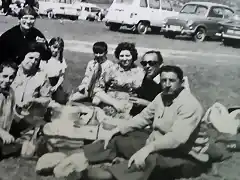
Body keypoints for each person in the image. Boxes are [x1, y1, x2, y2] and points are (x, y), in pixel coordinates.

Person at [76, 65, 210, 180]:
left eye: (172, 80)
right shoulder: (162, 97)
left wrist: (147, 149)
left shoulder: (189, 105)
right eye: (164, 80)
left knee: (148, 160)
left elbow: (176, 139)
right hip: (158, 144)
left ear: (181, 82)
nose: (167, 84)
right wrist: (116, 130)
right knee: (119, 138)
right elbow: (143, 118)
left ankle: (112, 174)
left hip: (184, 154)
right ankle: (79, 155)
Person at [10, 42, 52, 138]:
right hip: (7, 118)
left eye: (37, 60)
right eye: (30, 58)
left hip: (28, 122)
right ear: (23, 56)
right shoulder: (11, 72)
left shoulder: (41, 76)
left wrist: (34, 101)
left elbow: (47, 99)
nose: (33, 62)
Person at [93, 42, 145, 114]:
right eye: (122, 56)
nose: (124, 59)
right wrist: (114, 103)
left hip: (130, 104)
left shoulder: (140, 72)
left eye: (127, 55)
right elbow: (97, 90)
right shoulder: (111, 69)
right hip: (110, 101)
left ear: (133, 56)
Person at [40, 37, 68, 104]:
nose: (56, 50)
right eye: (54, 47)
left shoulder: (61, 60)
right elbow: (41, 74)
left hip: (56, 82)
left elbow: (62, 76)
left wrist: (56, 87)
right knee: (45, 100)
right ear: (49, 46)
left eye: (59, 49)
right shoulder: (44, 58)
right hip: (44, 81)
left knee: (61, 100)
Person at [0, 62, 18, 145]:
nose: (7, 80)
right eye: (4, 76)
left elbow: (10, 113)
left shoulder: (11, 92)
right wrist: (2, 132)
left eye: (11, 77)